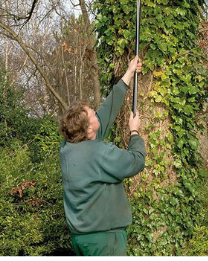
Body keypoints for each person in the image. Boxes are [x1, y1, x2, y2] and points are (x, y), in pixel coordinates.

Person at [59, 56, 146, 256]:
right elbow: (135, 161)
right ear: (89, 129)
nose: (96, 113)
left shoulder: (68, 147)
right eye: (92, 114)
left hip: (82, 238)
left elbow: (105, 114)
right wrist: (134, 132)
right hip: (105, 240)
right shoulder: (99, 152)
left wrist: (128, 73)